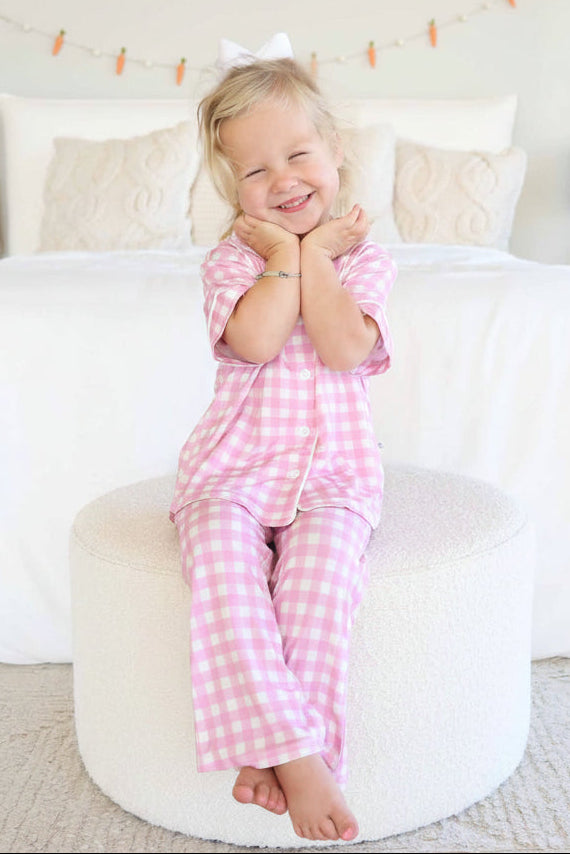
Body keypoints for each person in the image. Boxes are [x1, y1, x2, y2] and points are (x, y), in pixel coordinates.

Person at [170, 37, 397, 843]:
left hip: (333, 478)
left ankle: (271, 751)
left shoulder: (366, 261)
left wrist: (318, 258)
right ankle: (303, 758)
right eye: (256, 171)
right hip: (229, 474)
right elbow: (260, 340)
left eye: (298, 155)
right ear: (233, 187)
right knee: (227, 583)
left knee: (318, 589)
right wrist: (283, 253)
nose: (283, 181)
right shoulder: (232, 261)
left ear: (335, 153)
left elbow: (342, 347)